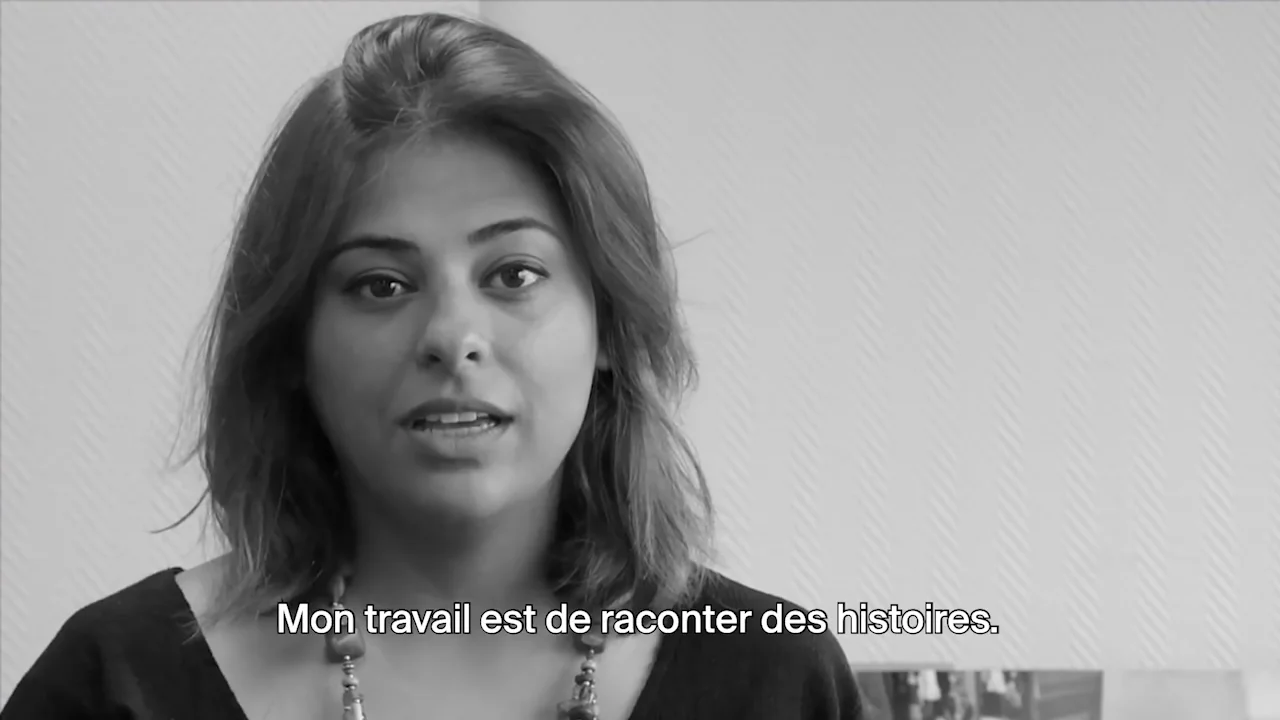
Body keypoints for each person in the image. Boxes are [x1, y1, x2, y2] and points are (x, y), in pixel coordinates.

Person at [1, 11, 863, 720]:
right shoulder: (113, 681)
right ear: (293, 344)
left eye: (514, 275)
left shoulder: (774, 679)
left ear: (610, 326)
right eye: (381, 285)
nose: (453, 336)